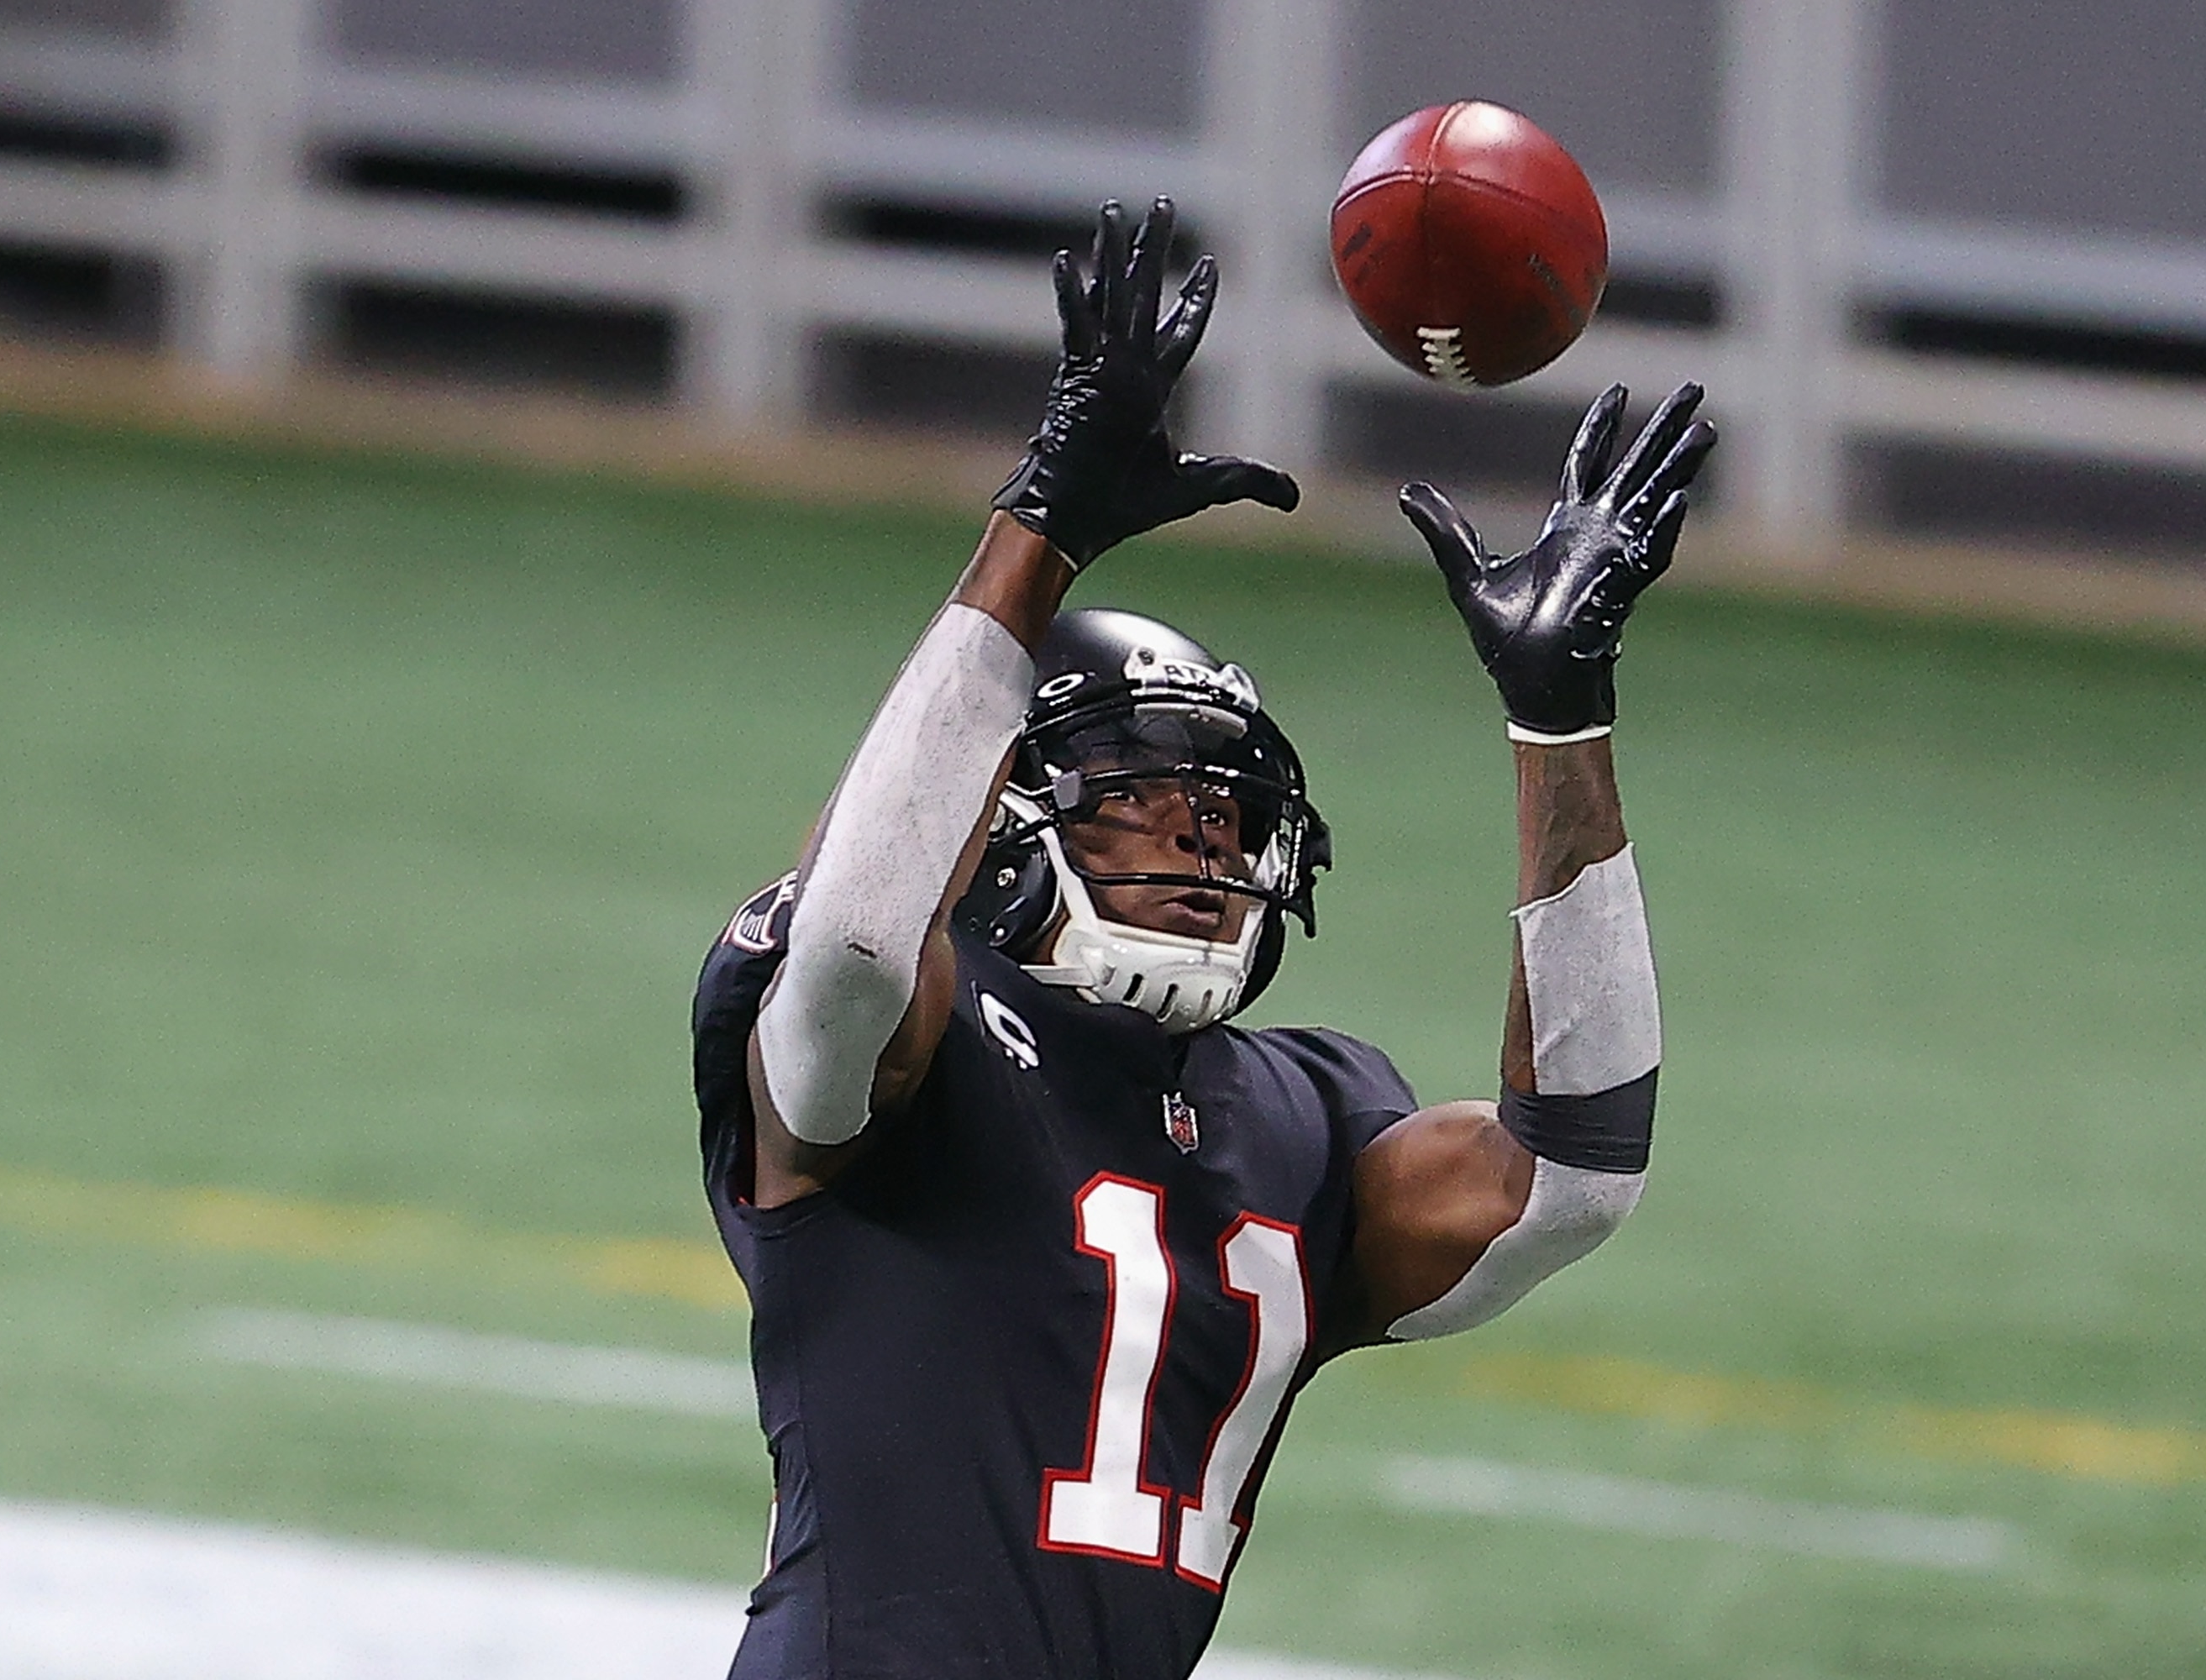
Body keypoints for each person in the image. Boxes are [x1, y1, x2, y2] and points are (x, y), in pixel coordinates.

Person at [691, 197, 1715, 1680]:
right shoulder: (911, 1039)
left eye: (1226, 812)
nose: (1203, 841)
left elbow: (1573, 1181)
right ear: (1001, 816)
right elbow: (853, 942)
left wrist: (1562, 720)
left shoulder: (1295, 1113)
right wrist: (1040, 526)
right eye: (1141, 799)